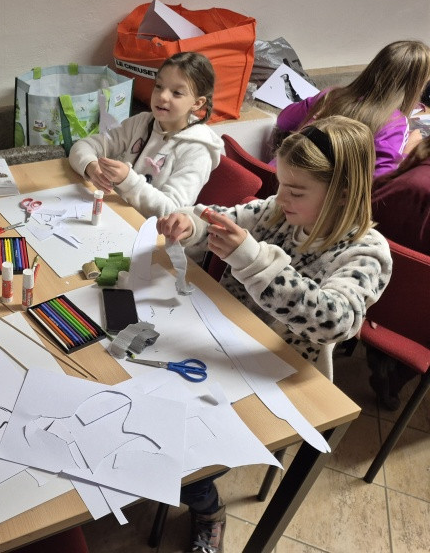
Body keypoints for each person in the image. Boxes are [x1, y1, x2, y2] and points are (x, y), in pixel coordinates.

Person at [157, 116, 393, 553]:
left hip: (281, 376)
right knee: (155, 407)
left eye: (296, 191)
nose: (280, 197)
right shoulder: (277, 212)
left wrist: (254, 260)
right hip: (223, 342)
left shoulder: (366, 252)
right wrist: (191, 224)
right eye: (281, 183)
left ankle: (207, 507)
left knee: (189, 451)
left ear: (343, 192)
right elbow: (220, 219)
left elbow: (335, 320)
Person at [68, 51, 223, 219]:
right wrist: (91, 167)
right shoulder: (141, 122)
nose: (162, 96)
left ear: (197, 103)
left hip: (148, 229)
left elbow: (172, 212)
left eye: (177, 93)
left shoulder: (198, 150)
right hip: (117, 214)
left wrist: (127, 180)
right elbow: (82, 146)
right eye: (159, 86)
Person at [274, 40, 430, 177]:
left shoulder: (330, 95)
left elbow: (283, 120)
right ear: (415, 86)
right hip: (305, 193)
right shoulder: (396, 123)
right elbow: (379, 183)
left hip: (274, 175)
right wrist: (407, 153)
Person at [365, 136, 430, 409]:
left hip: (364, 286)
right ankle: (394, 376)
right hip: (412, 318)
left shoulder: (406, 177)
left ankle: (383, 360)